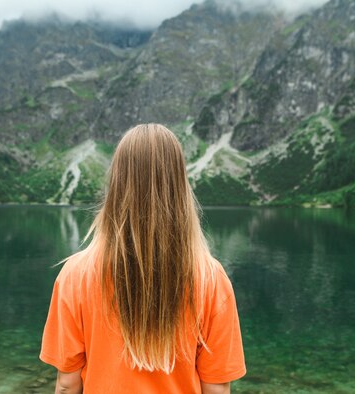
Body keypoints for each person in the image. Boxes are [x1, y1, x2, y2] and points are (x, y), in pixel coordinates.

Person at [40, 124, 246, 393]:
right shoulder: (211, 278)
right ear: (179, 185)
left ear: (117, 184)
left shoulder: (75, 274)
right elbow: (216, 389)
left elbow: (68, 385)